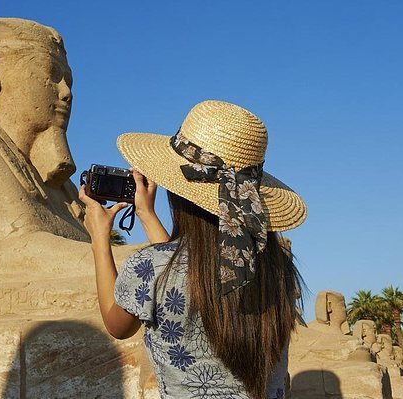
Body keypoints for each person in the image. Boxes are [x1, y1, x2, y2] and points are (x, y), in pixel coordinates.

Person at [79, 100, 307, 399]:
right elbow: (184, 265)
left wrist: (99, 237)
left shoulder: (151, 267)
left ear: (178, 192)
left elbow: (117, 325)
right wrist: (147, 214)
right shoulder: (277, 269)